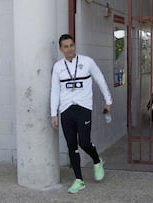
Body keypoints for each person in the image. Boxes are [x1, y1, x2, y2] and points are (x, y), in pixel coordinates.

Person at [50, 34, 113, 193]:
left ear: (74, 45)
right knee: (71, 145)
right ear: (61, 49)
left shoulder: (87, 62)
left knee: (84, 142)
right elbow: (55, 91)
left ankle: (97, 161)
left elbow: (100, 79)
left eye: (71, 45)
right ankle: (79, 180)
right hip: (65, 110)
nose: (69, 49)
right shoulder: (58, 67)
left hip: (84, 108)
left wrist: (108, 101)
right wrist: (53, 113)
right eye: (66, 46)